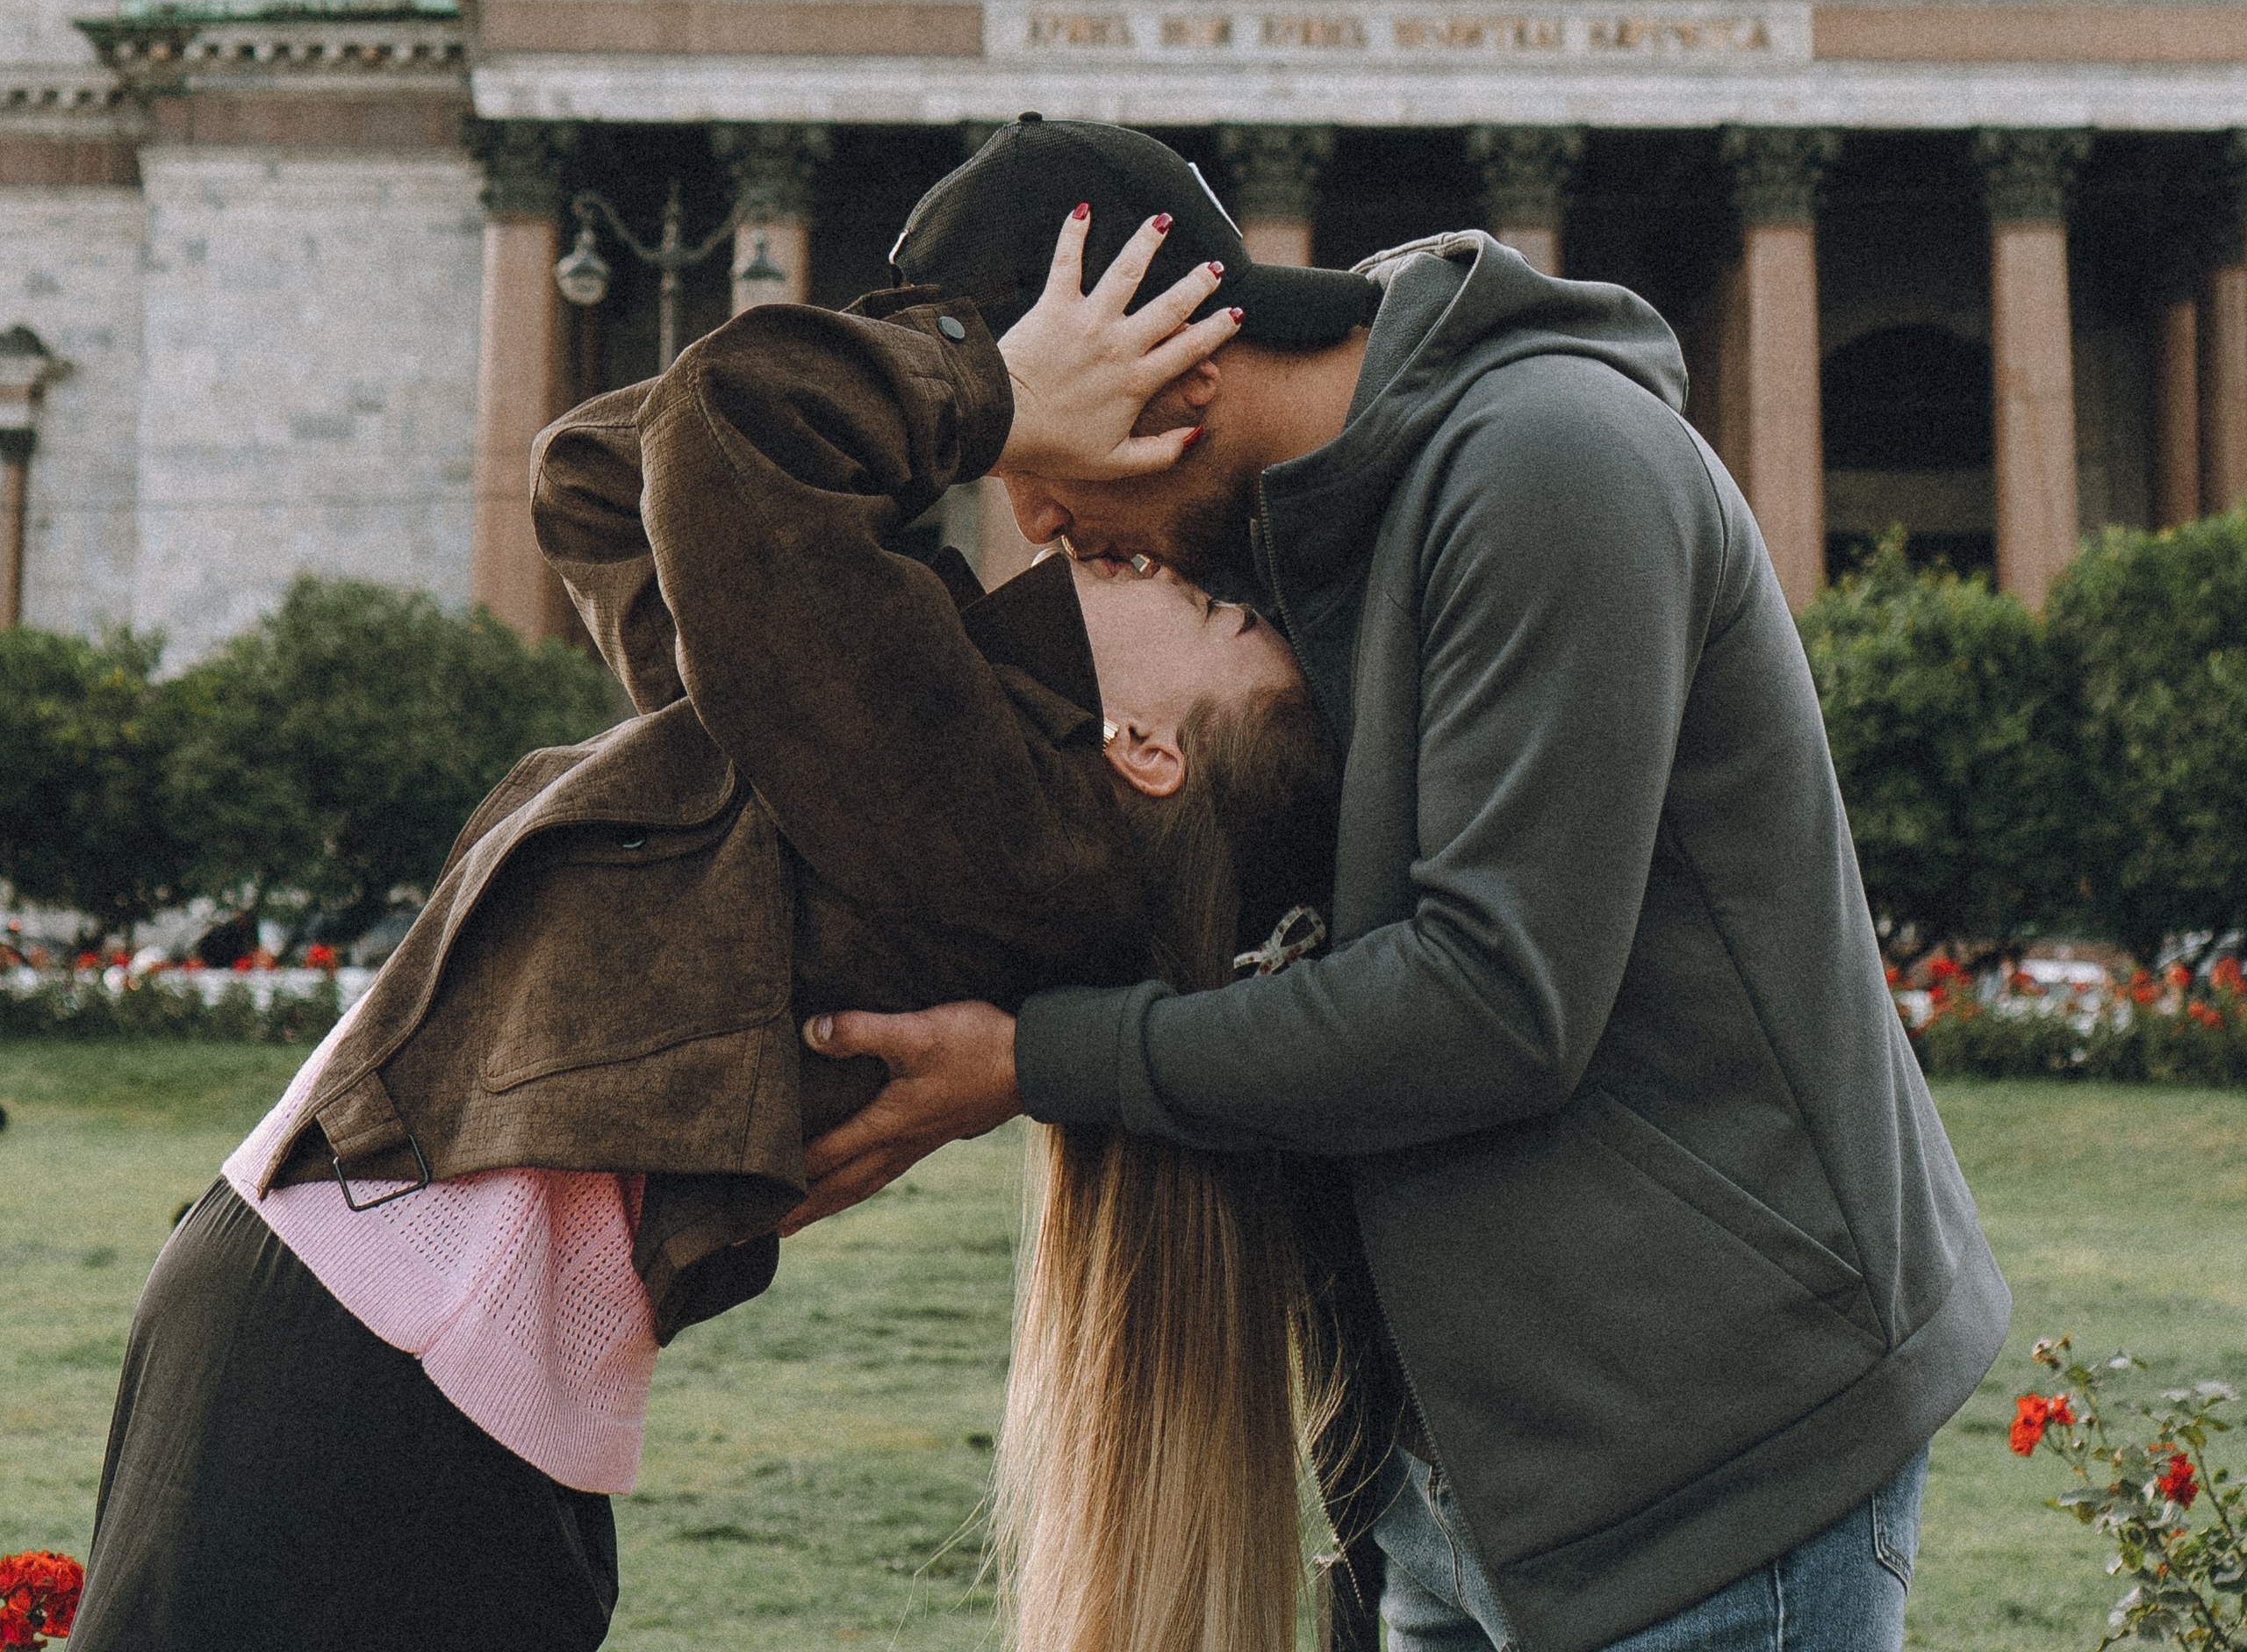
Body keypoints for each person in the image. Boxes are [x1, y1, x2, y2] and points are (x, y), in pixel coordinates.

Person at [794, 118, 2013, 1652]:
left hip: (1707, 1470)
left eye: (1034, 454)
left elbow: (1498, 1002)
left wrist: (1039, 1061)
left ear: (1179, 359)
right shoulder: (1290, 544)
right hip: (1453, 1491)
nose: (1030, 525)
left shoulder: (1550, 464)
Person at [71, 225, 1343, 1652]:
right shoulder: (874, 761)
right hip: (380, 1329)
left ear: (1151, 754)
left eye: (1221, 612)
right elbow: (608, 479)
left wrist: (992, 393)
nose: (1173, 565)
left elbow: (733, 435)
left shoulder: (993, 826)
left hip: (375, 1340)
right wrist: (984, 391)